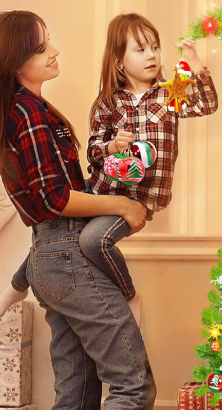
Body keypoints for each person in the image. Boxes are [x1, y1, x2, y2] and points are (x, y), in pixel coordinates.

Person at [1, 12, 218, 326]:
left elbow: (206, 103)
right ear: (119, 60)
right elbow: (93, 151)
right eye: (140, 49)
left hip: (140, 196)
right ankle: (17, 286)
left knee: (91, 242)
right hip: (103, 188)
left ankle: (129, 295)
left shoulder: (169, 95)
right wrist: (113, 147)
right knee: (53, 240)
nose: (152, 56)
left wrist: (197, 67)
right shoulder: (107, 103)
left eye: (155, 48)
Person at [0, 10, 156, 409]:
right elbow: (56, 199)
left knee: (76, 394)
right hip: (69, 258)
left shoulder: (18, 111)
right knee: (132, 386)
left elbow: (44, 207)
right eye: (40, 47)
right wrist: (123, 203)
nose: (54, 51)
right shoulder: (29, 112)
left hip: (46, 262)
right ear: (15, 60)